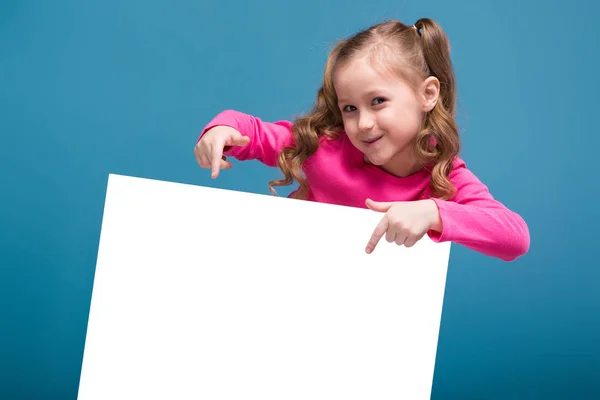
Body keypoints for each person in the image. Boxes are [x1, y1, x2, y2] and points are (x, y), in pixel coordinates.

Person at [193, 18, 530, 262]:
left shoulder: (441, 179)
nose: (363, 124)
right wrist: (220, 130)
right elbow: (249, 129)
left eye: (378, 101)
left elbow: (514, 236)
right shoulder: (325, 145)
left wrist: (432, 212)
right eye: (350, 108)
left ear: (427, 94)